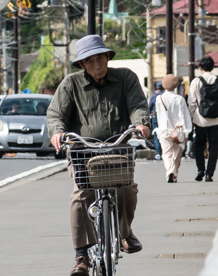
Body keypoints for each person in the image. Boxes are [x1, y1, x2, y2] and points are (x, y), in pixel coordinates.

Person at [47, 35, 152, 276]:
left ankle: (125, 233)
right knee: (81, 193)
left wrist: (140, 124)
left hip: (117, 147)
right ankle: (81, 255)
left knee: (127, 187)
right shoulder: (71, 84)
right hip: (83, 151)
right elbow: (55, 115)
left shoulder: (125, 77)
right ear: (82, 64)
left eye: (100, 58)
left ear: (108, 57)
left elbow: (138, 105)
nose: (97, 65)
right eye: (90, 61)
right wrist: (58, 132)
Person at [188, 55, 218, 182]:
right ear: (213, 67)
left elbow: (191, 103)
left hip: (200, 120)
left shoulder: (196, 82)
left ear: (200, 68)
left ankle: (200, 169)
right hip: (216, 119)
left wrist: (191, 119)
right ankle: (209, 174)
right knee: (214, 147)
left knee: (199, 145)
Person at [154, 74, 192, 183]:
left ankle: (170, 172)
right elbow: (184, 116)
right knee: (177, 153)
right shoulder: (180, 99)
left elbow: (158, 114)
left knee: (166, 153)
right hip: (177, 131)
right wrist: (186, 131)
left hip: (163, 129)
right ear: (176, 86)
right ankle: (173, 173)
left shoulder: (159, 98)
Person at [148, 81, 164, 160]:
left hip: (155, 117)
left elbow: (149, 107)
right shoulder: (165, 95)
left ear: (156, 87)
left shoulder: (154, 96)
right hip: (164, 117)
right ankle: (164, 150)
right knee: (164, 133)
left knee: (156, 134)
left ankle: (158, 153)